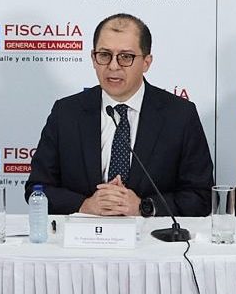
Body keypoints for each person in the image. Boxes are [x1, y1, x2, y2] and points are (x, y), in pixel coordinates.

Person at [25, 14, 214, 217]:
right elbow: (37, 188)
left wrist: (143, 207)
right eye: (104, 55)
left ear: (146, 62)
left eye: (125, 57)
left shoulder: (179, 116)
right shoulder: (66, 113)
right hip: (84, 234)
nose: (113, 66)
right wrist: (85, 205)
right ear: (93, 59)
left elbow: (201, 196)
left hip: (150, 235)